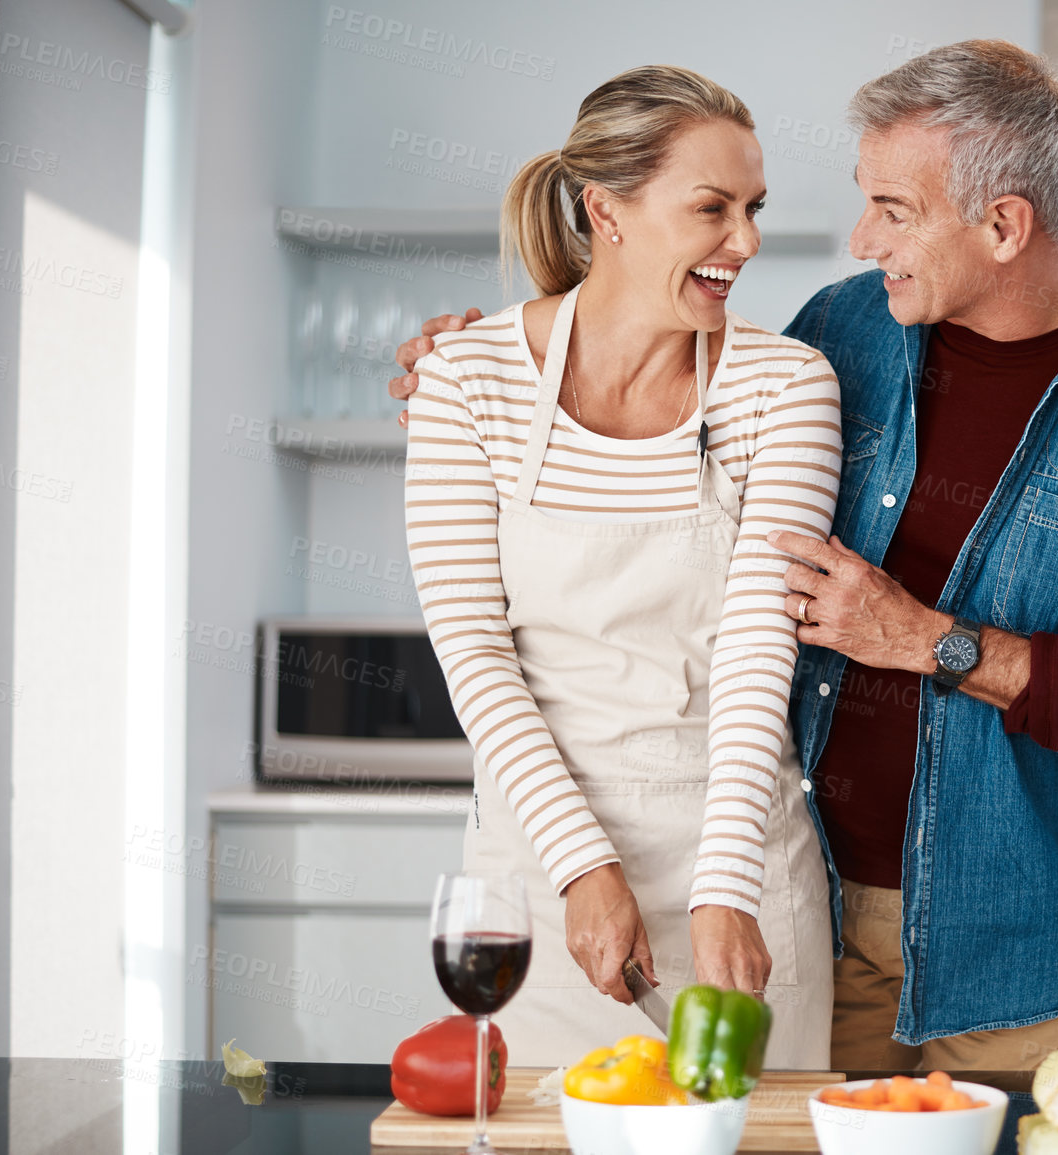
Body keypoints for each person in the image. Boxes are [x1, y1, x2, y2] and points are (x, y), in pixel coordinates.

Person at [393, 41, 1058, 1073]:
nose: (857, 236)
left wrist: (937, 643)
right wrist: (468, 368)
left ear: (1004, 225)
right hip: (824, 904)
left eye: (893, 207)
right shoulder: (850, 331)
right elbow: (648, 349)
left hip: (1010, 941)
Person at [401, 65, 841, 1067]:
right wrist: (582, 867)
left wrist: (727, 889)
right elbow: (473, 649)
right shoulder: (467, 380)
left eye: (754, 209)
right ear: (607, 210)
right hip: (540, 889)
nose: (748, 242)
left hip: (738, 879)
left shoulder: (785, 387)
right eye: (712, 209)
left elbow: (757, 654)